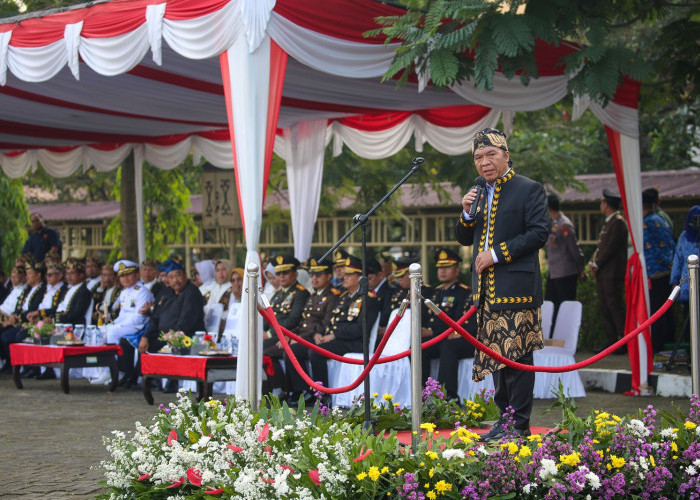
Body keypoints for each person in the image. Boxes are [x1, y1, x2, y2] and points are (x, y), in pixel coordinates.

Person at [455, 128, 549, 440]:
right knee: (497, 357)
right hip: (486, 293)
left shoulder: (528, 189)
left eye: (491, 155)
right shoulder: (478, 191)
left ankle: (519, 424)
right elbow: (464, 238)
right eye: (478, 157)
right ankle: (504, 420)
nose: (484, 162)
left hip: (518, 292)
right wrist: (466, 214)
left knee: (517, 358)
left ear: (506, 156)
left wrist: (496, 254)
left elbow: (539, 233)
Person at [286, 255, 379, 404]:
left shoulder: (368, 300)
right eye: (345, 274)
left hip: (354, 343)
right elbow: (330, 321)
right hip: (337, 339)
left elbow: (361, 329)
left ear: (360, 277)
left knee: (315, 352)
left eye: (350, 275)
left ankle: (323, 395)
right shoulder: (344, 297)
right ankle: (303, 392)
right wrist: (320, 334)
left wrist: (333, 335)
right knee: (295, 350)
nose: (345, 278)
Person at [118, 262, 205, 390]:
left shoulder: (191, 292)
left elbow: (186, 321)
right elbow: (155, 317)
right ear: (167, 280)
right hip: (165, 335)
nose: (175, 280)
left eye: (178, 276)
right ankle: (144, 379)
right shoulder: (166, 293)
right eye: (171, 277)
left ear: (185, 275)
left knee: (171, 344)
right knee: (145, 344)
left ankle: (172, 381)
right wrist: (146, 336)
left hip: (186, 335)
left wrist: (172, 337)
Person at [276, 256, 341, 402]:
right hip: (306, 336)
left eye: (319, 275)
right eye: (312, 275)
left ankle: (311, 392)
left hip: (316, 337)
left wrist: (299, 338)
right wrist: (292, 335)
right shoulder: (312, 296)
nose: (314, 278)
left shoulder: (333, 296)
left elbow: (327, 322)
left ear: (329, 276)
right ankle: (299, 391)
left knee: (295, 351)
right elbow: (304, 321)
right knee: (289, 349)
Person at [421, 248, 475, 402]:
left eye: (447, 267)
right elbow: (427, 318)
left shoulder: (464, 293)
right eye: (440, 268)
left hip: (460, 339)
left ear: (457, 271)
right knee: (419, 346)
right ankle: (421, 391)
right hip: (439, 338)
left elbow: (459, 322)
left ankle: (447, 395)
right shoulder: (435, 293)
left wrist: (431, 331)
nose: (442, 271)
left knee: (448, 346)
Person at [588, 189, 629, 353]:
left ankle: (622, 340)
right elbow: (601, 247)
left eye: (603, 203)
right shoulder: (610, 222)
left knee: (615, 306)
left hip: (612, 272)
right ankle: (611, 340)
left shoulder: (618, 222)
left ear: (607, 204)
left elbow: (610, 248)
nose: (601, 205)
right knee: (606, 306)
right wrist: (593, 262)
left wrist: (597, 264)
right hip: (604, 273)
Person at [263, 255, 310, 389]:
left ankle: (280, 388)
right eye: (278, 273)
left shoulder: (301, 293)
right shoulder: (278, 294)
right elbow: (268, 315)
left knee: (265, 352)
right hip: (275, 334)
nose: (281, 276)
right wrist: (262, 330)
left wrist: (270, 334)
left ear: (295, 274)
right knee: (255, 349)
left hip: (287, 334)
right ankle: (269, 388)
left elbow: (294, 319)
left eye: (286, 272)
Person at [642, 189, 676, 353]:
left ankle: (662, 345)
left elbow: (667, 246)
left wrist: (668, 266)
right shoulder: (651, 219)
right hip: (653, 273)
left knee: (659, 311)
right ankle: (661, 344)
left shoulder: (653, 221)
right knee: (658, 310)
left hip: (659, 273)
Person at [545, 193, 585, 325]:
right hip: (554, 273)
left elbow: (574, 249)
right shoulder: (552, 223)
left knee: (565, 306)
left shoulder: (565, 224)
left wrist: (581, 268)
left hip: (566, 273)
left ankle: (567, 338)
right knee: (551, 306)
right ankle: (553, 339)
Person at [669, 206, 700, 346]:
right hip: (686, 288)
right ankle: (690, 355)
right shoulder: (684, 236)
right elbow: (678, 259)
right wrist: (675, 282)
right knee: (688, 324)